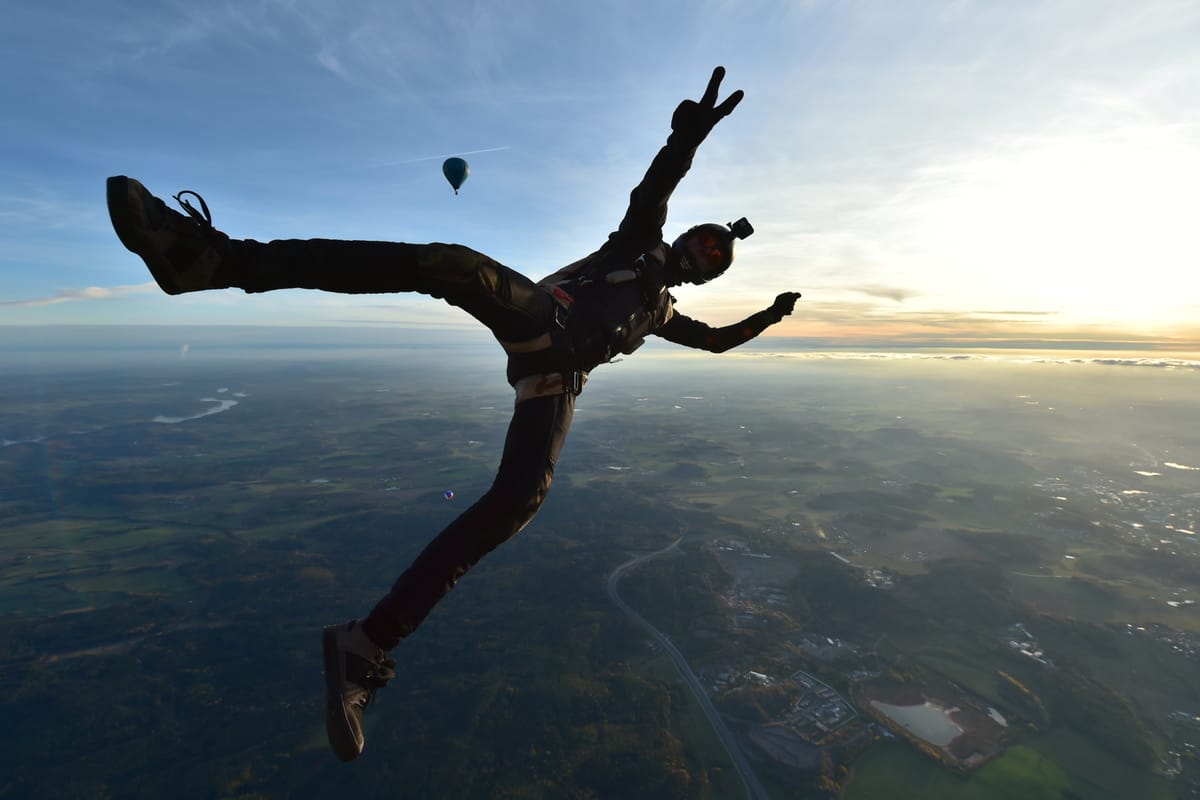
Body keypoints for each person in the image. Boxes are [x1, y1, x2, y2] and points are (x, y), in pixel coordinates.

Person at [106, 66, 801, 761]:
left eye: (713, 259)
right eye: (705, 241)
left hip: (554, 381)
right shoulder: (635, 246)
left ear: (705, 275)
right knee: (455, 265)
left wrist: (768, 315)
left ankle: (366, 647)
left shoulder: (662, 314)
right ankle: (215, 259)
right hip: (540, 320)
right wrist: (688, 138)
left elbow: (715, 340)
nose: (703, 253)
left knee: (519, 501)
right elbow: (654, 188)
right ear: (687, 238)